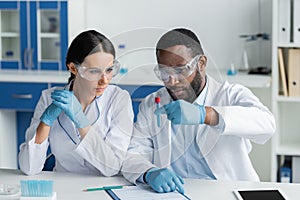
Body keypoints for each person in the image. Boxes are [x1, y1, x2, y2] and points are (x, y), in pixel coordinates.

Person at [121, 28, 276, 194]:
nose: (172, 81)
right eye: (164, 72)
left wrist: (207, 115)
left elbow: (267, 124)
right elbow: (133, 152)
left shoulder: (230, 94)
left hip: (226, 191)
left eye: (181, 69)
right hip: (176, 192)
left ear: (201, 63)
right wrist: (148, 172)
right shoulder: (153, 103)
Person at [19, 30, 134, 176]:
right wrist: (45, 122)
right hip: (63, 186)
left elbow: (111, 168)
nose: (104, 80)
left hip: (103, 187)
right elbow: (29, 168)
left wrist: (81, 121)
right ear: (73, 68)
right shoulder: (49, 98)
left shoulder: (118, 99)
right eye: (94, 71)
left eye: (109, 70)